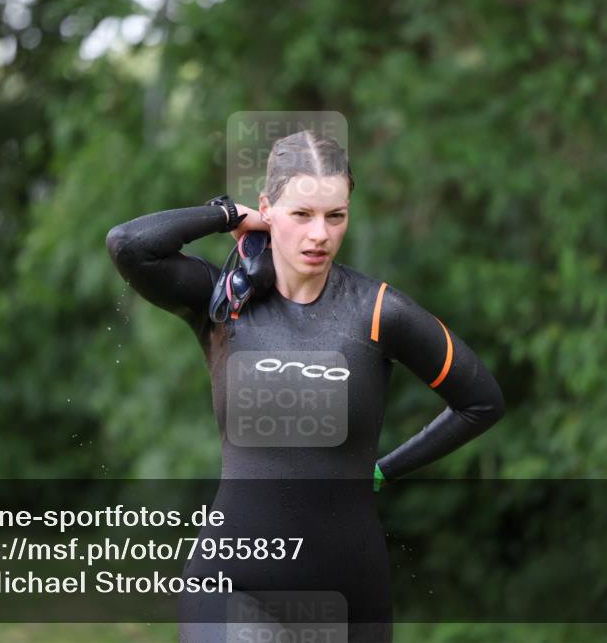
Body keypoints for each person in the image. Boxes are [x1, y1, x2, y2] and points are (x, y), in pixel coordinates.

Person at [106, 130, 505, 642]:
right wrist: (228, 215)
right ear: (268, 208)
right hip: (231, 582)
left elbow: (480, 402)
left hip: (349, 593)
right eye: (301, 215)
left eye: (335, 216)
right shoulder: (222, 299)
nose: (320, 234)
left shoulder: (377, 311)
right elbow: (129, 245)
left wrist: (383, 470)